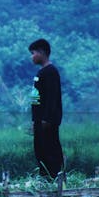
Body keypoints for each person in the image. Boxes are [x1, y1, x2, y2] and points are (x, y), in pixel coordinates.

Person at [29, 38, 64, 179]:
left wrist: (47, 119)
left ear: (42, 53)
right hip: (39, 121)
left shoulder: (50, 72)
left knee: (51, 150)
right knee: (40, 151)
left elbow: (52, 98)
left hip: (47, 122)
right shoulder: (41, 73)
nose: (32, 57)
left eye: (33, 53)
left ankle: (56, 178)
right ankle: (45, 178)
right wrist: (34, 120)